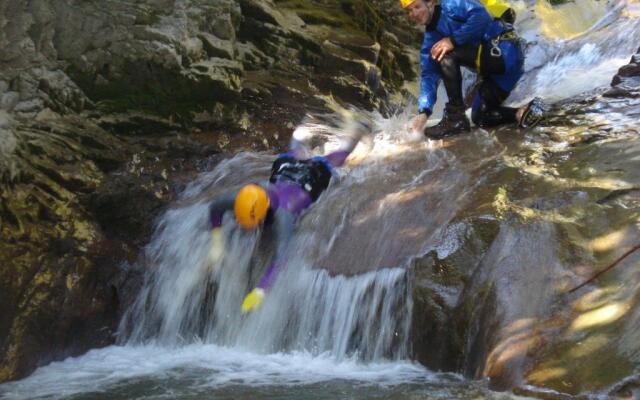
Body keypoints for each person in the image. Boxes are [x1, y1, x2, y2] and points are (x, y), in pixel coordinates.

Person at [207, 117, 371, 313]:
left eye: (248, 223)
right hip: (285, 172)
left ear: (262, 215)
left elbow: (281, 256)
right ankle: (305, 124)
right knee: (293, 154)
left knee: (336, 159)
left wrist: (260, 291)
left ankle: (360, 129)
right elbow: (215, 208)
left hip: (311, 178)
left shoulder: (283, 216)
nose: (242, 226)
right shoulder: (244, 197)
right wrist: (217, 243)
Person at [401, 0, 545, 139]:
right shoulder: (430, 40)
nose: (414, 13)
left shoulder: (451, 4)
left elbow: (481, 17)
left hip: (504, 52)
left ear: (430, 2)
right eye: (409, 11)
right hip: (502, 73)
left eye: (417, 7)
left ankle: (455, 118)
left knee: (446, 56)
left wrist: (452, 40)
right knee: (480, 116)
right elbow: (429, 75)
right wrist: (424, 112)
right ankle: (522, 113)